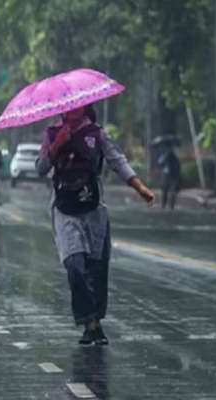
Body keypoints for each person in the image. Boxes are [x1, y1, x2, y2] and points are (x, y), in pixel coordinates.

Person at [36, 104, 155, 345]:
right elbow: (41, 169)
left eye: (79, 107)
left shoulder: (97, 134)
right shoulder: (51, 134)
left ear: (85, 107)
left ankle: (95, 323)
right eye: (69, 108)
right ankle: (88, 321)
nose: (74, 111)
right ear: (62, 111)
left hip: (93, 210)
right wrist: (57, 144)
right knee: (74, 264)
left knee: (97, 269)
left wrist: (139, 187)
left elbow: (117, 160)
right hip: (64, 210)